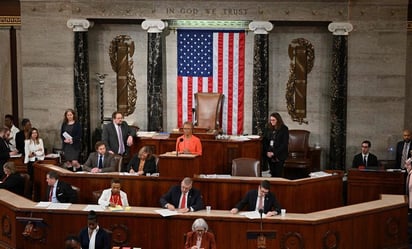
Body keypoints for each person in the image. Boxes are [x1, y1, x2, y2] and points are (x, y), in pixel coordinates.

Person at [262, 112, 289, 177]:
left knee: (278, 174)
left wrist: (274, 153)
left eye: (273, 120)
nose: (272, 122)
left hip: (279, 154)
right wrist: (267, 152)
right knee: (272, 173)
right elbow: (265, 141)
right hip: (269, 154)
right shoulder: (268, 128)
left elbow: (284, 144)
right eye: (271, 120)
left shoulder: (284, 129)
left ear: (278, 120)